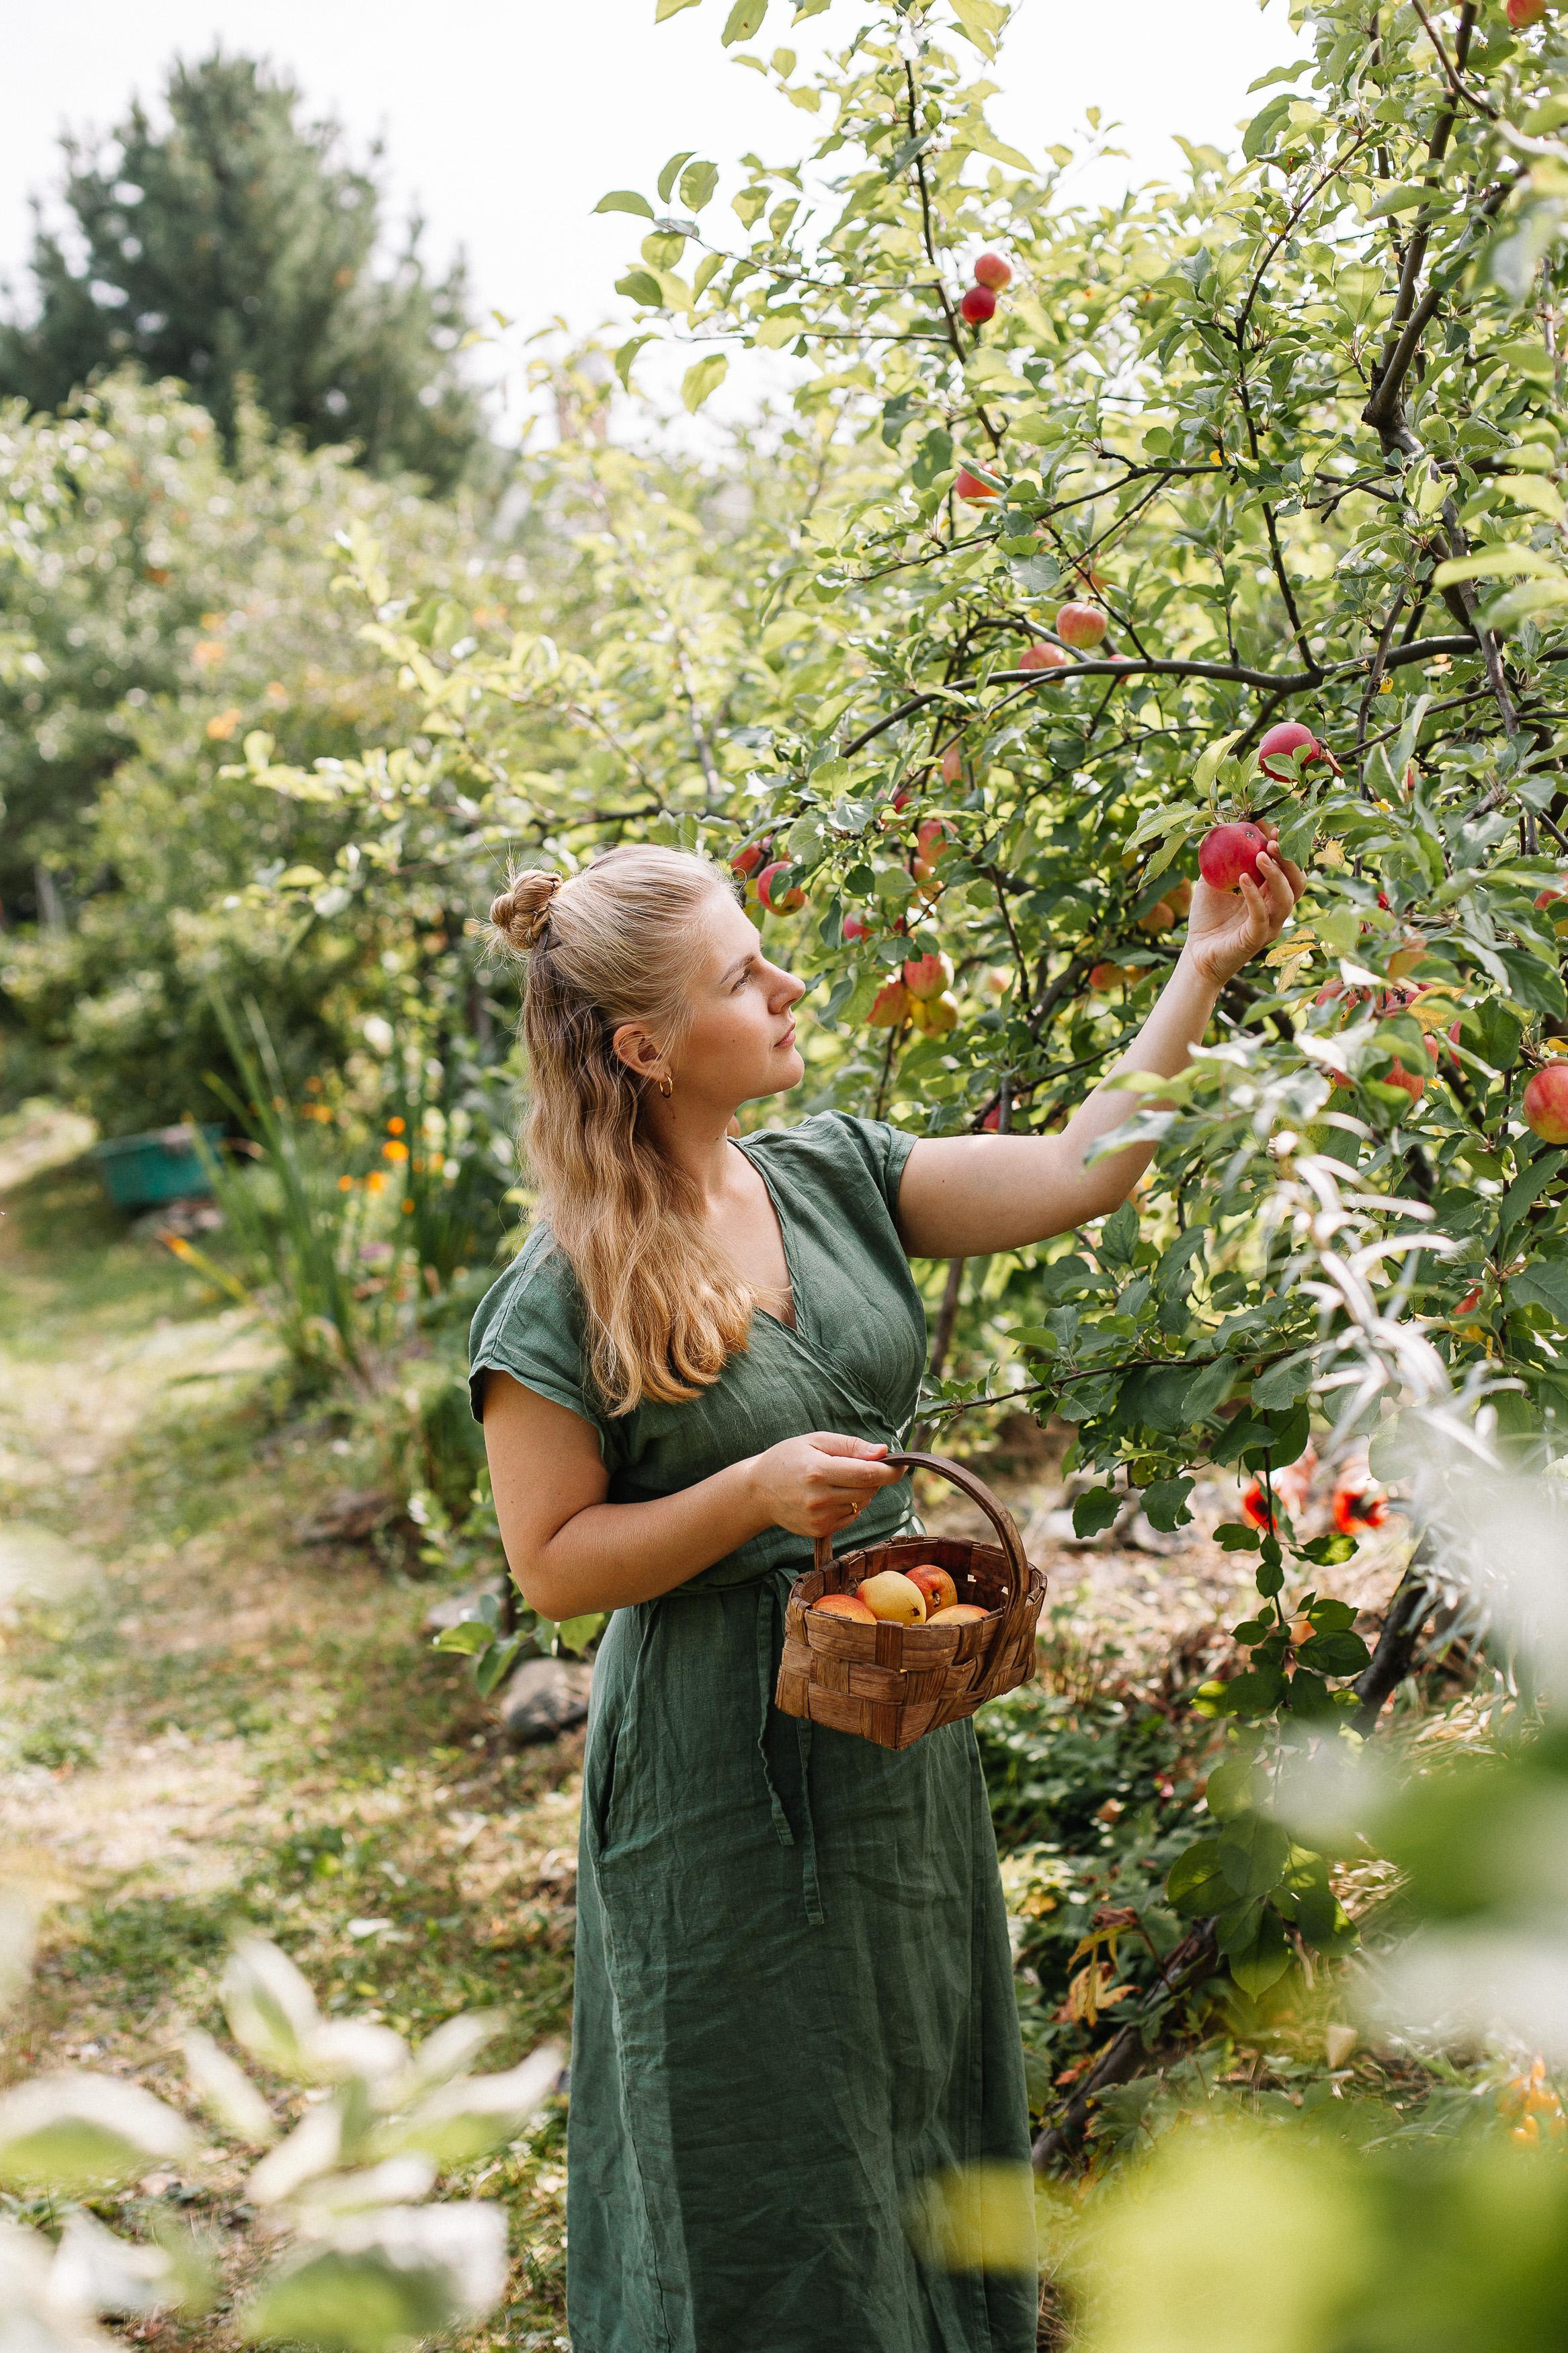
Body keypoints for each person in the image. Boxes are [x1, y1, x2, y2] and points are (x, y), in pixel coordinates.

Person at [470, 836, 1303, 2353]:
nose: (787, 985)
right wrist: (745, 1494)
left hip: (896, 1731)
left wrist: (1201, 965)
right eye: (742, 974)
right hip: (719, 1776)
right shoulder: (565, 1289)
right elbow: (550, 1566)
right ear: (646, 1046)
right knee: (753, 2141)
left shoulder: (834, 1174)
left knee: (917, 2093)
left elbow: (1082, 1167)